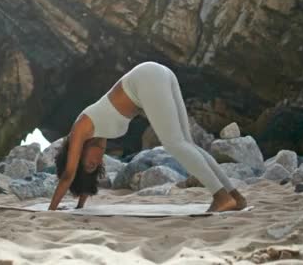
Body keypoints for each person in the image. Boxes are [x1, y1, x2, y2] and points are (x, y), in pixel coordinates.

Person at [49, 62, 247, 212]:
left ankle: (221, 197)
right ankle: (234, 196)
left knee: (174, 144)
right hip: (156, 74)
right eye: (95, 166)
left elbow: (69, 174)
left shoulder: (81, 127)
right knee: (187, 144)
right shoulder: (97, 138)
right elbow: (83, 178)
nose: (96, 161)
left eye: (89, 163)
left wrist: (51, 209)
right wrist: (79, 206)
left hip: (147, 79)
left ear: (77, 153)